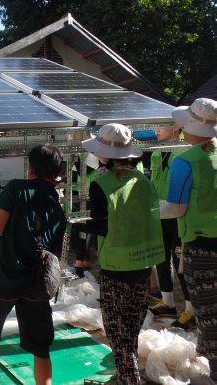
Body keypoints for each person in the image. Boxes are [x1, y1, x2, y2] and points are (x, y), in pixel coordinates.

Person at [0, 145, 66, 385]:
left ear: (31, 168)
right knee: (40, 346)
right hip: (36, 284)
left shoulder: (16, 188)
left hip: (2, 277)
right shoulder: (58, 209)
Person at [82, 123, 164, 385]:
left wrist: (81, 224)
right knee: (132, 326)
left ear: (104, 154)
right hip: (142, 262)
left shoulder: (101, 184)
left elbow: (103, 224)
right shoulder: (142, 179)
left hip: (115, 265)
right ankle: (129, 374)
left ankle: (129, 378)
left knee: (117, 332)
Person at [160, 98, 217, 382]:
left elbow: (176, 208)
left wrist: (150, 211)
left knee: (209, 312)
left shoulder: (185, 161)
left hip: (202, 247)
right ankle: (207, 357)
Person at [147, 124, 194, 329]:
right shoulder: (157, 153)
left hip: (179, 213)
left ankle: (190, 310)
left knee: (180, 261)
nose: (155, 130)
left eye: (160, 126)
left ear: (176, 128)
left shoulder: (184, 151)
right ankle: (167, 303)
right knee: (161, 256)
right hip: (160, 212)